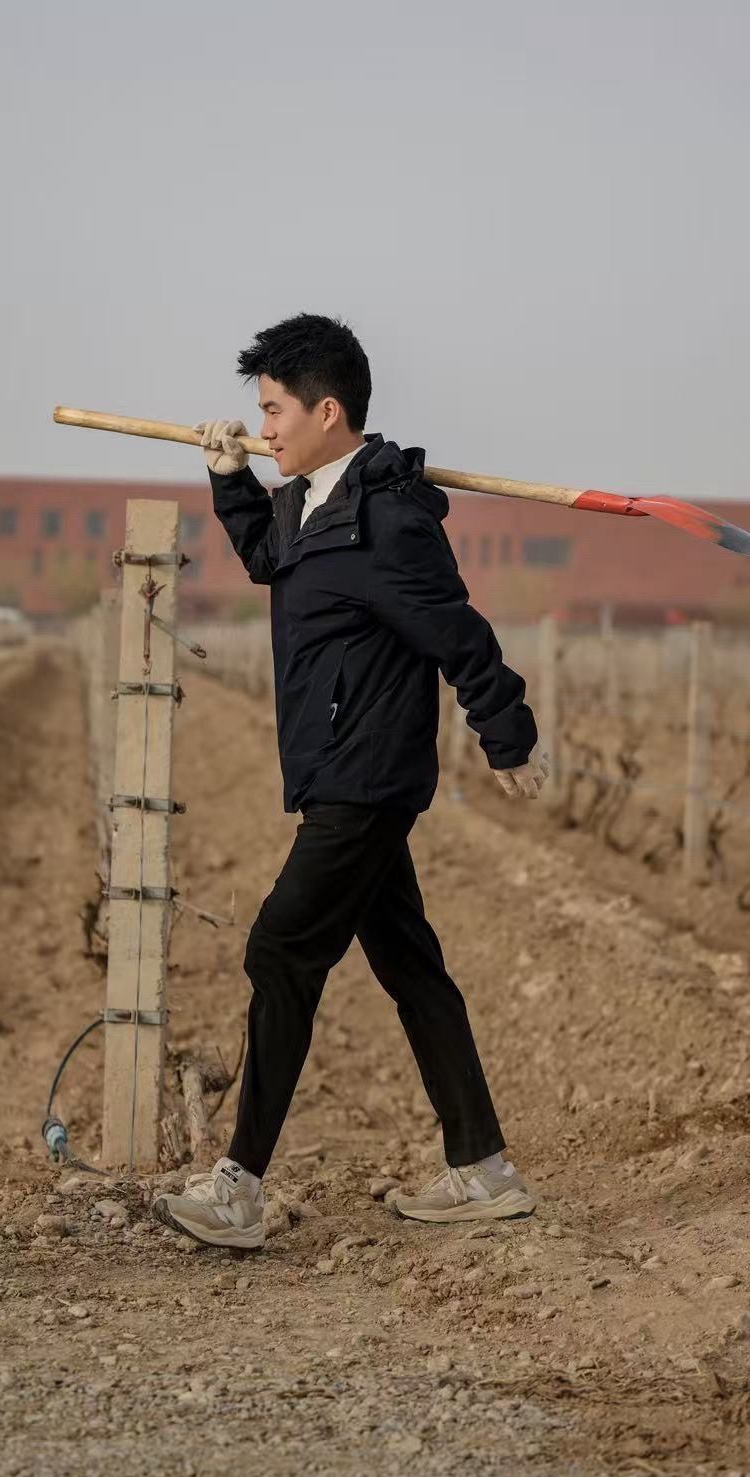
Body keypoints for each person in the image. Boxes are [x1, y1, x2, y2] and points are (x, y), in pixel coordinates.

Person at [153, 314, 546, 1251]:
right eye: (259, 412)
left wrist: (507, 730)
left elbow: (456, 630)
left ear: (329, 410)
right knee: (411, 965)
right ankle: (483, 1168)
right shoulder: (308, 502)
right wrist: (229, 479)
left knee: (281, 952)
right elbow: (266, 560)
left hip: (366, 779)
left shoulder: (388, 517)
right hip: (337, 768)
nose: (266, 427)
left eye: (276, 411)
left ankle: (239, 1187)